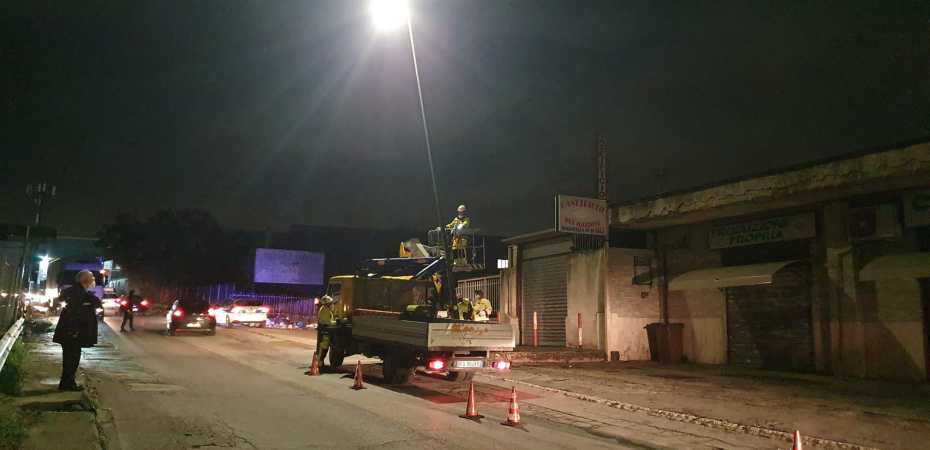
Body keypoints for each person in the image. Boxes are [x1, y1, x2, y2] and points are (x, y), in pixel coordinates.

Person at [52, 270, 101, 391]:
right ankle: (67, 384)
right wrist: (73, 331)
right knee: (72, 358)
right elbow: (74, 313)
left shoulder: (78, 291)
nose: (93, 280)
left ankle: (67, 383)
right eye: (91, 278)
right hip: (73, 332)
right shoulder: (78, 292)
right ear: (85, 280)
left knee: (71, 357)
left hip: (72, 331)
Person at [316, 295, 338, 369]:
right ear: (327, 304)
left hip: (325, 330)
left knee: (324, 347)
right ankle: (319, 363)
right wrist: (337, 322)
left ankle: (320, 362)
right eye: (330, 303)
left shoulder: (326, 310)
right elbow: (327, 322)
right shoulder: (325, 311)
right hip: (325, 331)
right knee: (323, 347)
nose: (332, 304)